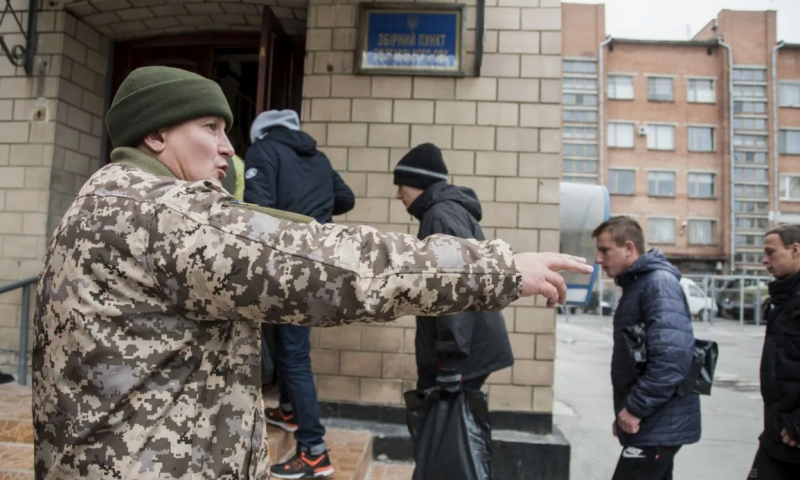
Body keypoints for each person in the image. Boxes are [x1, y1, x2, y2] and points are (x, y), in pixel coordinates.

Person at [32, 65, 593, 480]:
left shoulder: (104, 199)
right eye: (210, 127)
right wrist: (498, 268)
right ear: (155, 135)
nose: (229, 147)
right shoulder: (160, 211)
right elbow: (328, 265)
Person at [243, 109, 355, 478]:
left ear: (261, 134)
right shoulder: (317, 157)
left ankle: (314, 451)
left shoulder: (264, 153)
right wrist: (314, 212)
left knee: (293, 355)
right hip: (318, 264)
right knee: (286, 341)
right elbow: (346, 198)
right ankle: (288, 410)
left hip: (286, 265)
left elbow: (257, 209)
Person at [392, 143, 514, 395]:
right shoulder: (448, 211)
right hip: (467, 348)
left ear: (417, 183)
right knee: (450, 429)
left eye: (400, 185)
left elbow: (455, 288)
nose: (397, 194)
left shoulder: (439, 217)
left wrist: (450, 364)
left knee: (443, 429)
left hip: (460, 356)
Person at [592, 216, 701, 480]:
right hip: (655, 421)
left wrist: (635, 408)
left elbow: (672, 358)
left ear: (629, 248)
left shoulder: (658, 284)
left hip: (657, 420)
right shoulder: (640, 284)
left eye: (605, 250)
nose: (598, 259)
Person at [749, 224, 800, 479]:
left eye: (771, 252)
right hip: (775, 436)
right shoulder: (783, 299)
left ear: (795, 250)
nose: (764, 260)